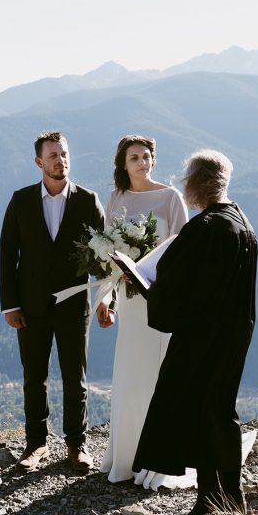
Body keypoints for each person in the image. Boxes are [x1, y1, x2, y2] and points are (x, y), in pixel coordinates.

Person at [132, 149, 258, 515]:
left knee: (202, 412)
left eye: (188, 179)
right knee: (219, 412)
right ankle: (227, 496)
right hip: (233, 334)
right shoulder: (240, 222)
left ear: (200, 183)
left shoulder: (205, 228)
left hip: (203, 338)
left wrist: (144, 284)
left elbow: (176, 283)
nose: (184, 186)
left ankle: (211, 499)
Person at [0, 131, 105, 474]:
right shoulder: (21, 200)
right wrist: (10, 305)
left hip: (75, 306)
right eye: (54, 155)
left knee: (77, 378)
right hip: (31, 307)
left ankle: (77, 445)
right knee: (34, 378)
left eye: (65, 153)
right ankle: (36, 445)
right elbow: (7, 254)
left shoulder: (88, 200)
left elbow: (105, 256)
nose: (61, 159)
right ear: (39, 162)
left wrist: (108, 299)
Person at [94, 135, 191, 489]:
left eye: (147, 156)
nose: (142, 162)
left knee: (157, 376)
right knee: (131, 376)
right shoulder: (116, 198)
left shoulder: (170, 197)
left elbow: (184, 249)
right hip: (129, 301)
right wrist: (106, 300)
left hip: (159, 299)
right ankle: (125, 457)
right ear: (123, 163)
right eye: (135, 157)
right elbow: (108, 258)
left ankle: (158, 459)